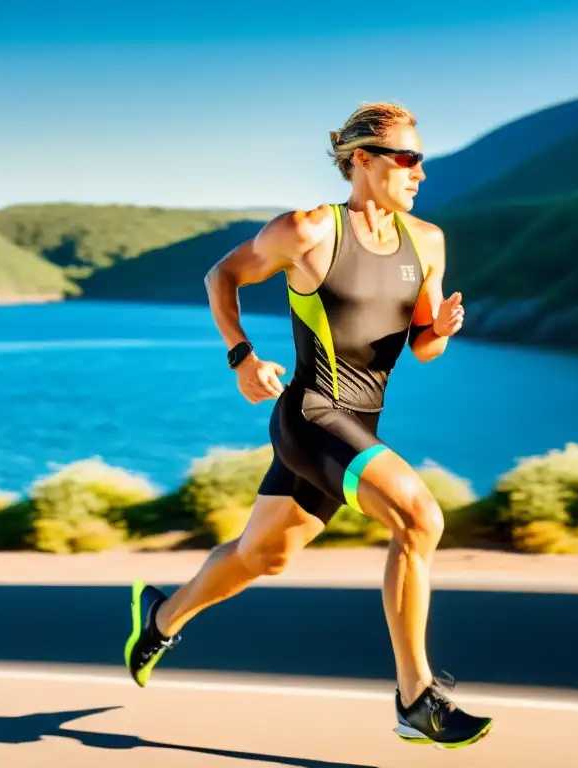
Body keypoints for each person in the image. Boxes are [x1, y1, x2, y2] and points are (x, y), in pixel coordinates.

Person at [122, 101, 493, 750]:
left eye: (421, 160)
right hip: (312, 415)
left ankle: (161, 617)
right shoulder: (310, 230)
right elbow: (223, 275)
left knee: (263, 555)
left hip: (360, 423)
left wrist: (440, 330)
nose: (419, 172)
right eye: (407, 159)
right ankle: (416, 698)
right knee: (420, 520)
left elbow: (423, 345)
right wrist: (242, 355)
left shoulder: (426, 241)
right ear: (362, 161)